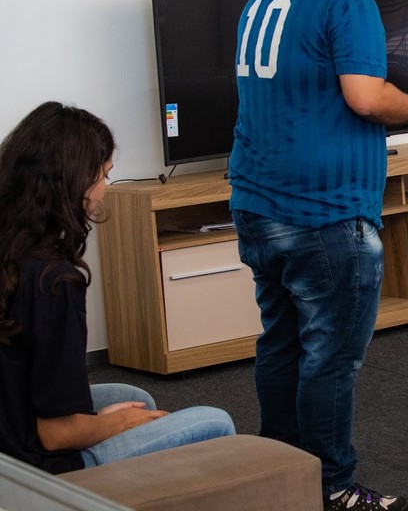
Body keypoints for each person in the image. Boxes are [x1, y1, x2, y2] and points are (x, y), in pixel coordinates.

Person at [229, 0, 408, 511]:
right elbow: (366, 96)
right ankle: (332, 487)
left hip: (256, 203)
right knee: (331, 358)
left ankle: (282, 475)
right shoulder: (347, 1)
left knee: (282, 343)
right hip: (322, 213)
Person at [0, 101, 235, 475]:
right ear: (74, 181)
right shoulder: (55, 280)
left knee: (134, 398)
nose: (104, 190)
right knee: (215, 422)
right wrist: (114, 425)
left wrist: (110, 419)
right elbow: (56, 434)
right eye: (104, 176)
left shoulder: (12, 247)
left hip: (9, 428)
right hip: (38, 468)